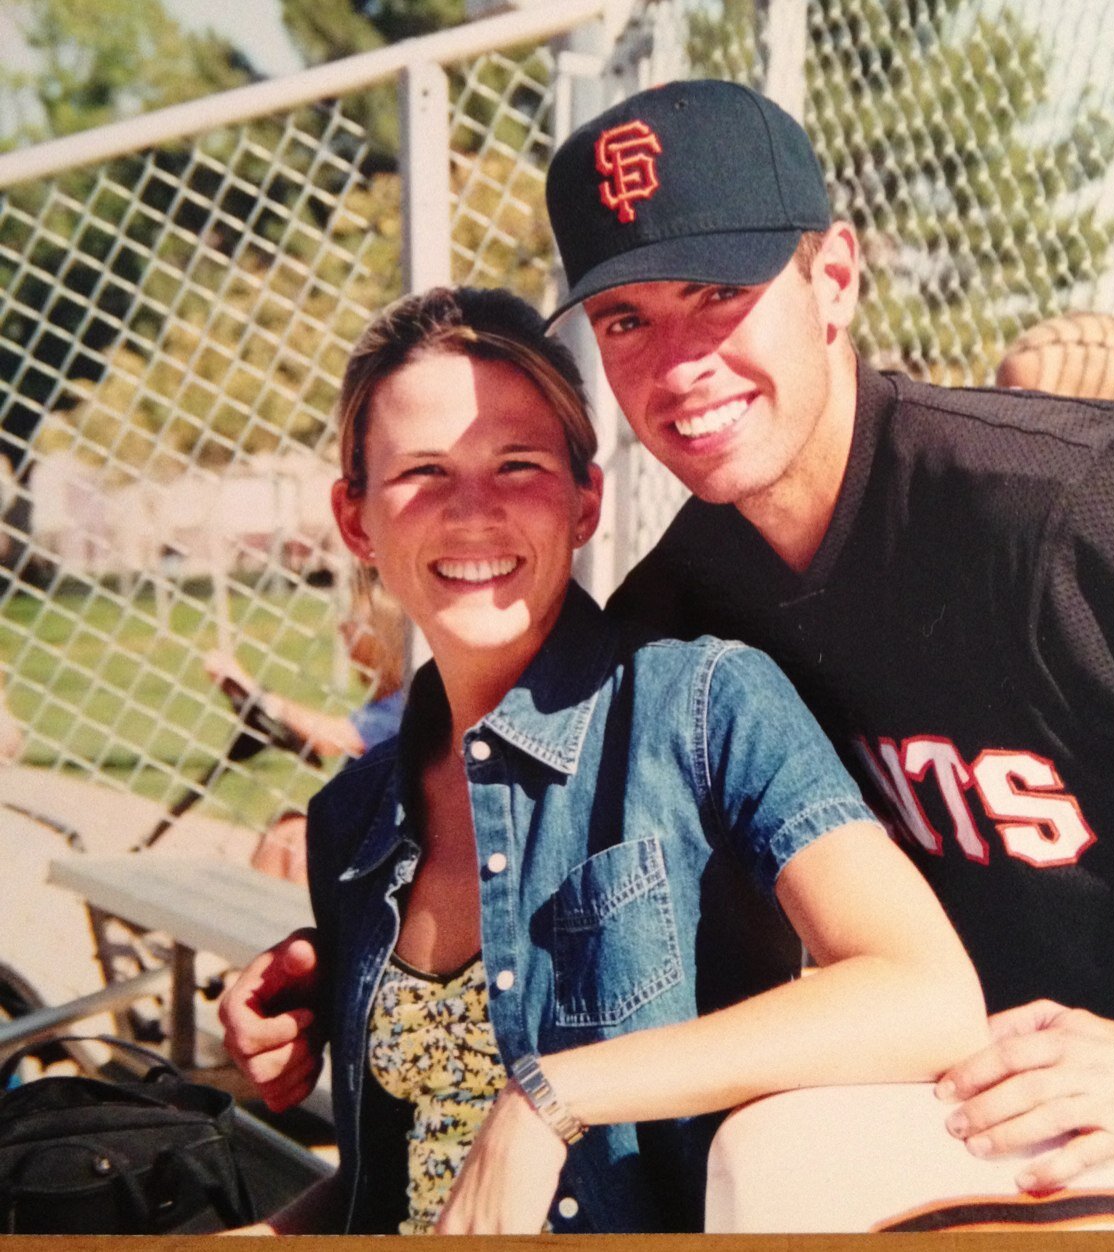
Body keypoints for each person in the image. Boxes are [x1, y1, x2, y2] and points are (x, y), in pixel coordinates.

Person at [222, 80, 1114, 1202]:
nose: (678, 365)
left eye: (717, 293)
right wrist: (356, 980)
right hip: (995, 1092)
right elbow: (549, 822)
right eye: (626, 321)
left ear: (835, 281)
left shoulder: (1080, 502)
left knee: (775, 1168)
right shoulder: (693, 597)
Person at [227, 285, 985, 1234]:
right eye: (424, 472)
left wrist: (551, 1098)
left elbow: (927, 994)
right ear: (356, 518)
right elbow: (409, 1174)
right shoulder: (355, 817)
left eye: (518, 464)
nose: (472, 513)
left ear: (585, 502)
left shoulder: (701, 707)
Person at [204, 585, 409, 882]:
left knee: (292, 839)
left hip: (381, 847)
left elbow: (331, 738)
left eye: (355, 622)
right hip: (361, 832)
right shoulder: (386, 699)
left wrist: (257, 693)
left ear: (383, 639)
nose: (342, 627)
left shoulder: (404, 704)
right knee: (286, 828)